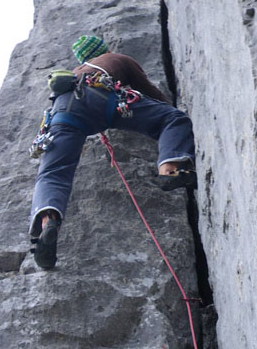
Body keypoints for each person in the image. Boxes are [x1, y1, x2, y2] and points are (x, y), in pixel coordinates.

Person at [29, 34, 196, 270]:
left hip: (61, 116)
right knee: (171, 119)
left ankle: (49, 221)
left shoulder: (73, 74)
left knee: (53, 174)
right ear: (102, 50)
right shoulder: (115, 59)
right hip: (99, 99)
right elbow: (148, 92)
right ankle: (170, 170)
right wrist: (166, 105)